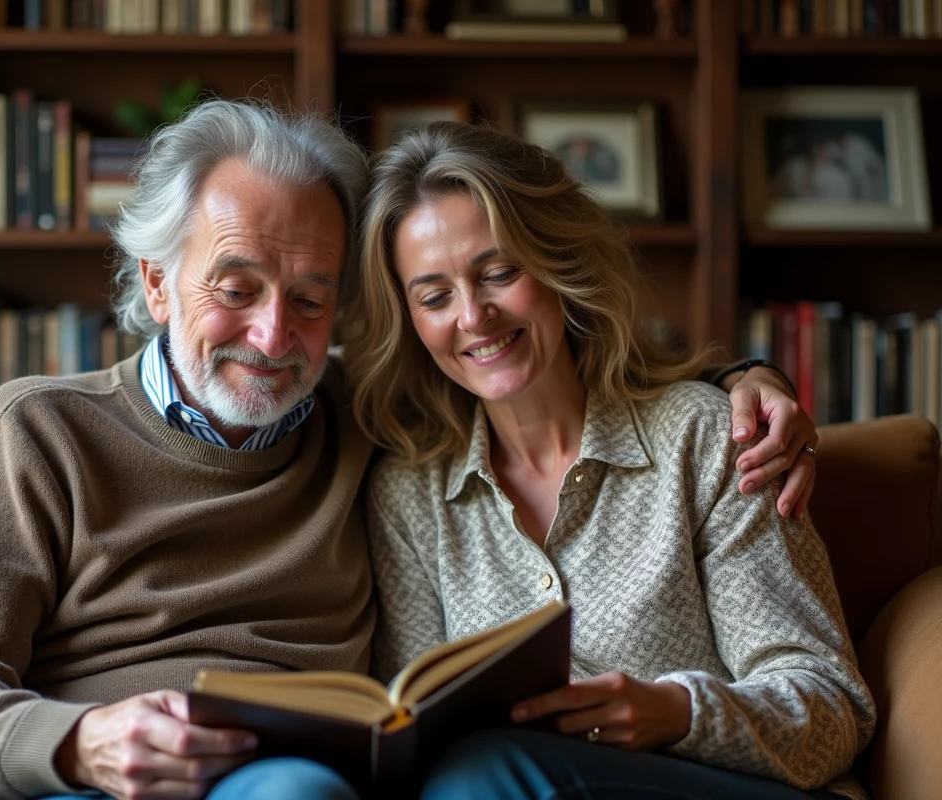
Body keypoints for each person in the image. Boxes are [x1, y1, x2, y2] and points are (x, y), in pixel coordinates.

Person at [0, 100, 818, 800]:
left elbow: (527, 364)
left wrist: (749, 378)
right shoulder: (38, 432)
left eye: (312, 298)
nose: (274, 333)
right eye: (235, 286)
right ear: (158, 284)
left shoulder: (371, 431)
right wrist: (80, 742)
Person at [343, 122, 874, 800]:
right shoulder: (409, 495)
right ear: (410, 321)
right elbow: (409, 730)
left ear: (559, 265)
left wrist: (677, 712)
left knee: (484, 772)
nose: (473, 316)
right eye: (434, 296)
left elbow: (832, 709)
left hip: (715, 785)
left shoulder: (706, 437)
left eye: (499, 272)